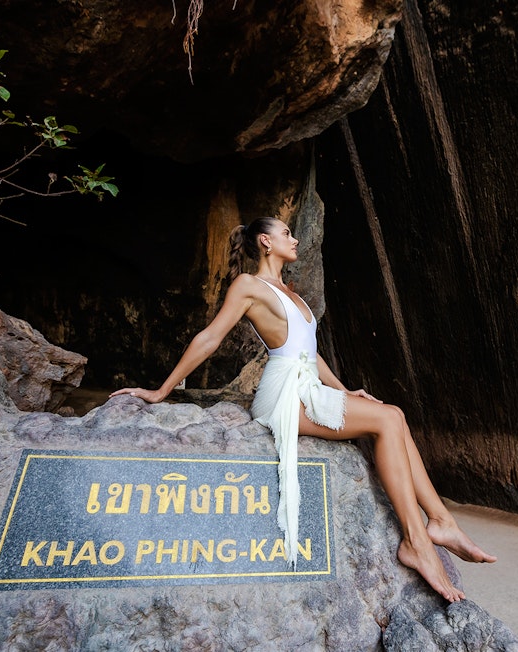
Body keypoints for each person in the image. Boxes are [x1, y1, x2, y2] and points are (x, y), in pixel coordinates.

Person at [111, 217, 495, 602]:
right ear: (265, 241)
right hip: (283, 395)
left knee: (393, 415)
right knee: (389, 419)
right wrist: (161, 391)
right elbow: (210, 337)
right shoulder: (249, 285)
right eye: (286, 234)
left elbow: (310, 352)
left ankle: (441, 522)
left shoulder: (290, 292)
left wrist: (346, 391)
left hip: (308, 387)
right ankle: (418, 539)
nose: (294, 240)